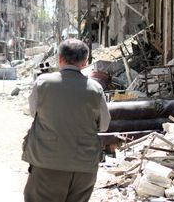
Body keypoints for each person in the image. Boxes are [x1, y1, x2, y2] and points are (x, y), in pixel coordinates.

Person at [22, 39, 111, 202]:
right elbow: (104, 126)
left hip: (47, 165)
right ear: (84, 62)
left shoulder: (43, 82)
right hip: (84, 168)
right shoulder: (95, 88)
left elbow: (33, 112)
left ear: (60, 59)